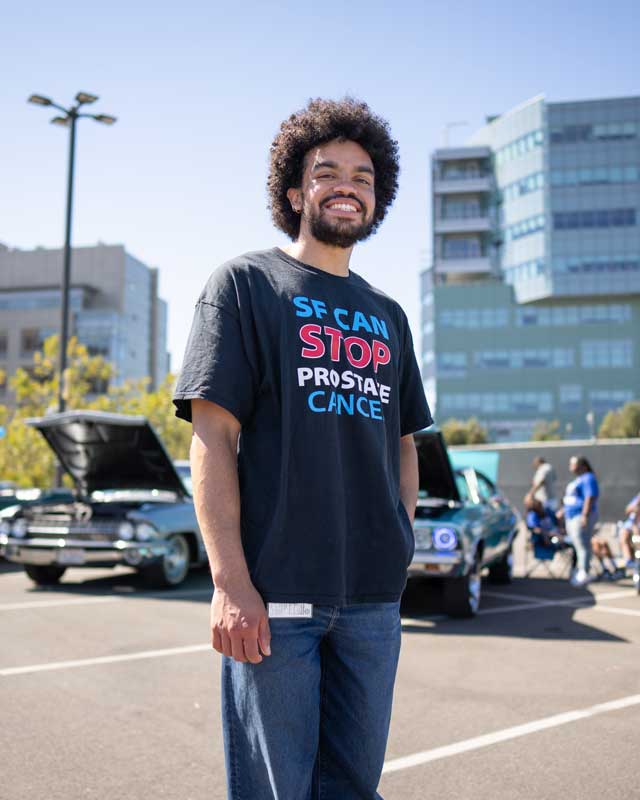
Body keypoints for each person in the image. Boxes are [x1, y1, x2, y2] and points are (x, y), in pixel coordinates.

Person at [173, 98, 432, 800]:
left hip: (373, 600)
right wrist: (230, 582)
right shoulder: (244, 287)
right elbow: (213, 438)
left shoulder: (388, 315)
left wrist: (399, 541)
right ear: (295, 192)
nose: (348, 185)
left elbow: (404, 444)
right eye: (327, 172)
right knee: (275, 789)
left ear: (378, 199)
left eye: (364, 176)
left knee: (354, 785)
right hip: (276, 595)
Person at [560, 455, 599, 587]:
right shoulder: (579, 479)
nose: (570, 466)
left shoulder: (588, 477)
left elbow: (590, 497)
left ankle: (584, 572)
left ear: (582, 465)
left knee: (582, 545)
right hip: (571, 516)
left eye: (573, 464)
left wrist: (584, 515)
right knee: (577, 545)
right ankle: (580, 569)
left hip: (580, 516)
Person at [619, 491, 640, 572]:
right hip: (632, 526)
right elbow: (627, 510)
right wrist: (637, 503)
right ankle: (629, 561)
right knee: (624, 534)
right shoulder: (637, 499)